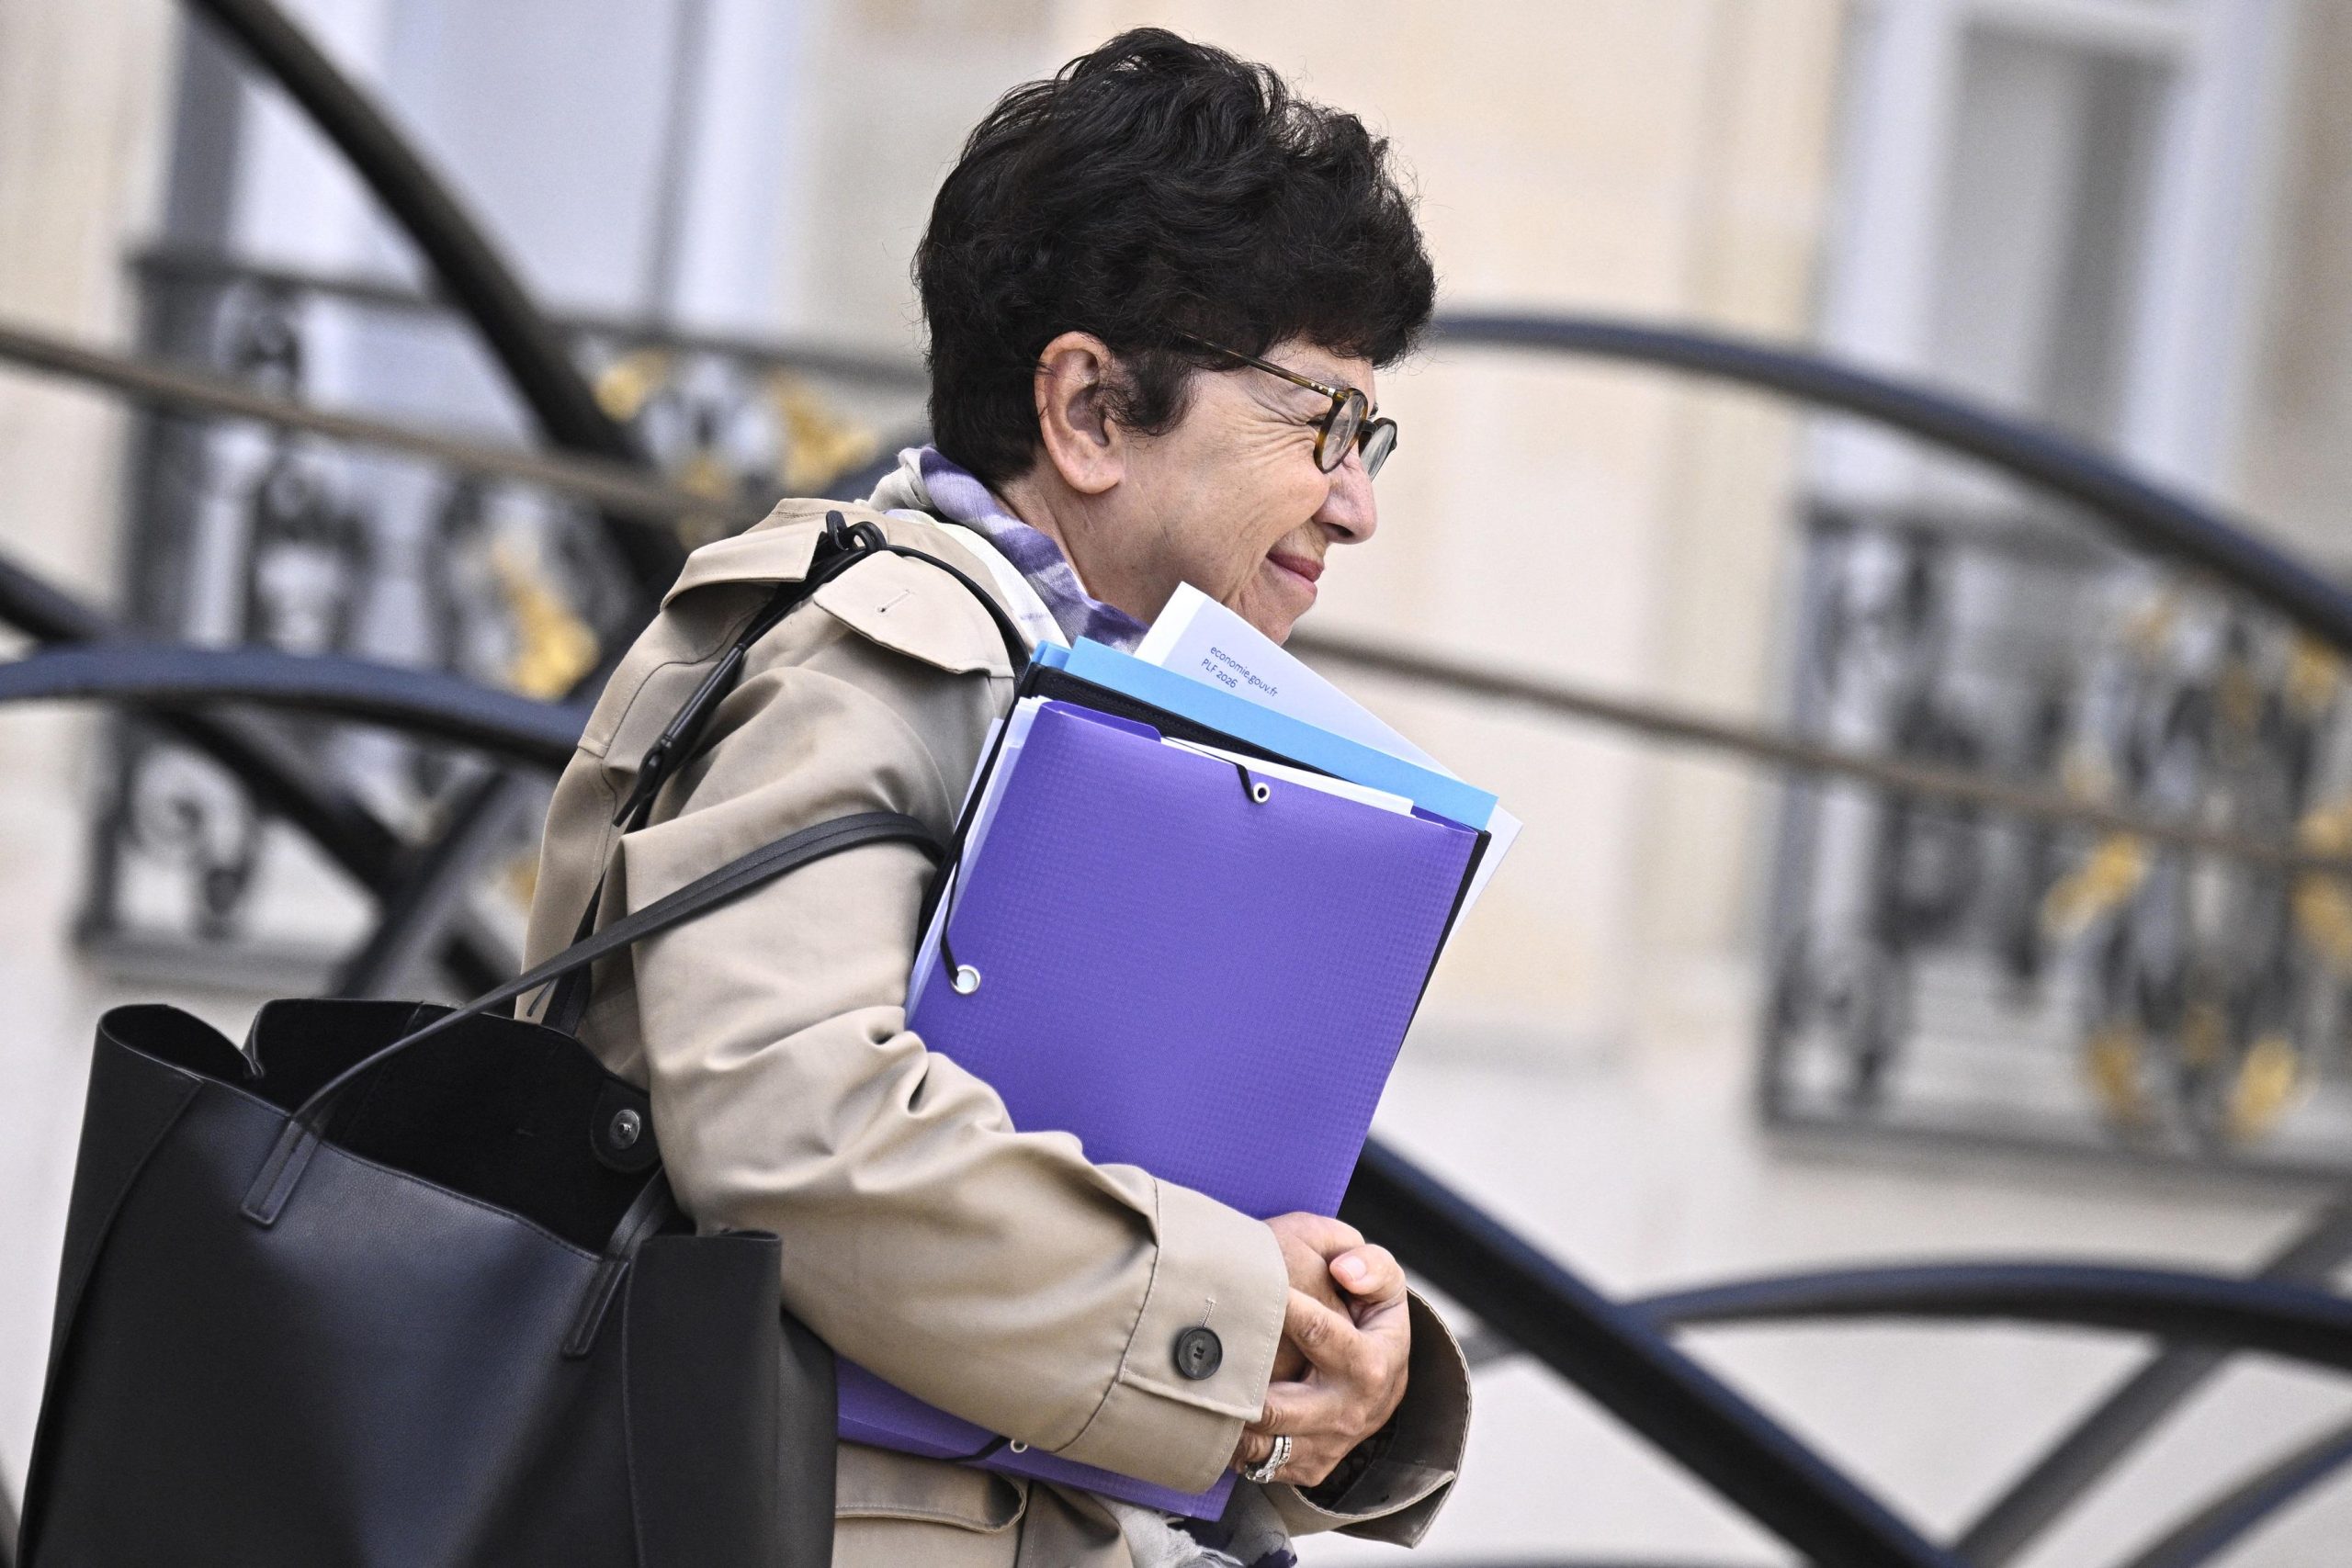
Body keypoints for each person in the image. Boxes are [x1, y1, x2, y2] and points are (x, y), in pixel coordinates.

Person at [520, 28, 1466, 1568]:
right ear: (1089, 409)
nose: (1354, 503)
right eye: (1321, 423)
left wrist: (1335, 1370)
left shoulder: (1112, 706)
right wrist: (1237, 1322)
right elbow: (789, 1130)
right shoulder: (875, 653)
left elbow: (1102, 1250)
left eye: (1371, 440)